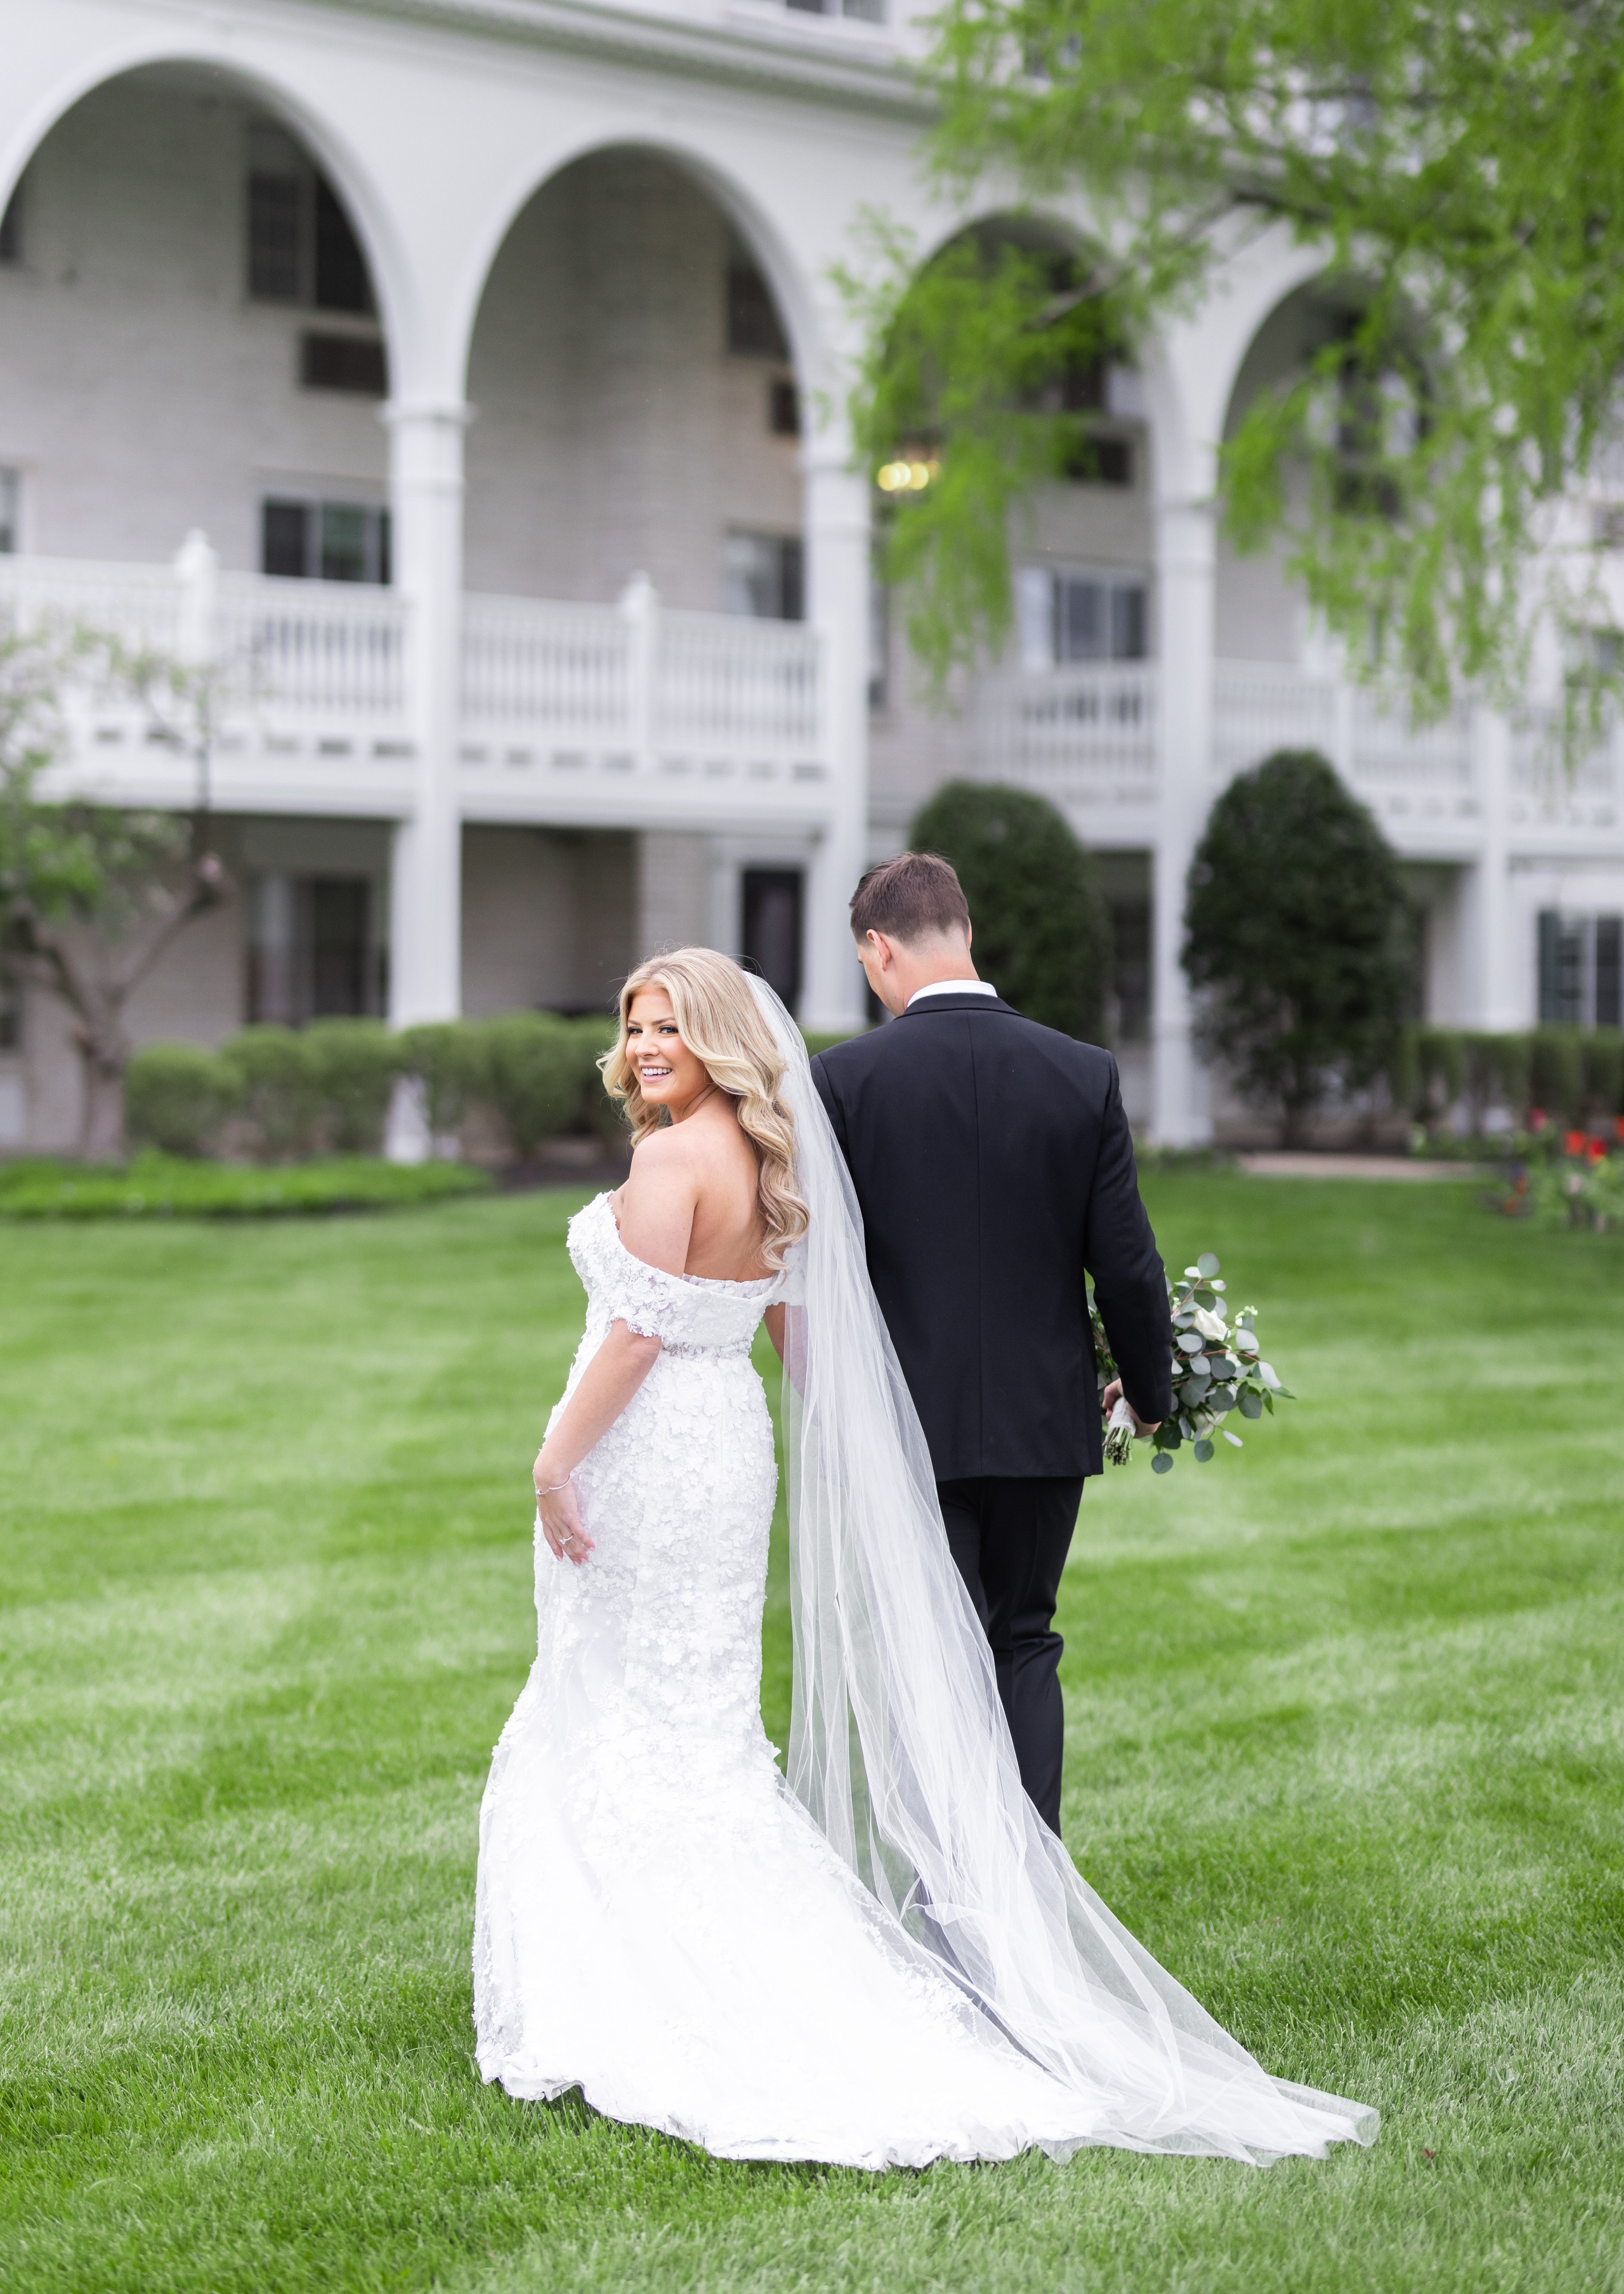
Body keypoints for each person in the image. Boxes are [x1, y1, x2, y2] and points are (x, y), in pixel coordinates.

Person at [473, 946, 1376, 2168]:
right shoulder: (772, 1152)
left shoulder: (681, 1152)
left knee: (629, 1702)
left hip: (653, 1448)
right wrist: (874, 1435)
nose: (643, 1047)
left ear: (720, 1036)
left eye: (668, 1028)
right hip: (737, 1451)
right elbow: (803, 1319)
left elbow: (637, 1331)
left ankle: (661, 1969)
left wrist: (550, 1462)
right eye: (634, 1025)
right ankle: (907, 1919)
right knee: (712, 1715)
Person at [809, 851, 1169, 1832]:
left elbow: (824, 1266)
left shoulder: (842, 1081)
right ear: (962, 932)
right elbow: (1129, 1268)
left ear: (879, 949)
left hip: (905, 1426)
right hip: (1041, 1424)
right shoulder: (1082, 1073)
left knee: (934, 1654)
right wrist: (1149, 1393)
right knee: (1022, 1639)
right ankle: (1034, 1895)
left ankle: (958, 1898)